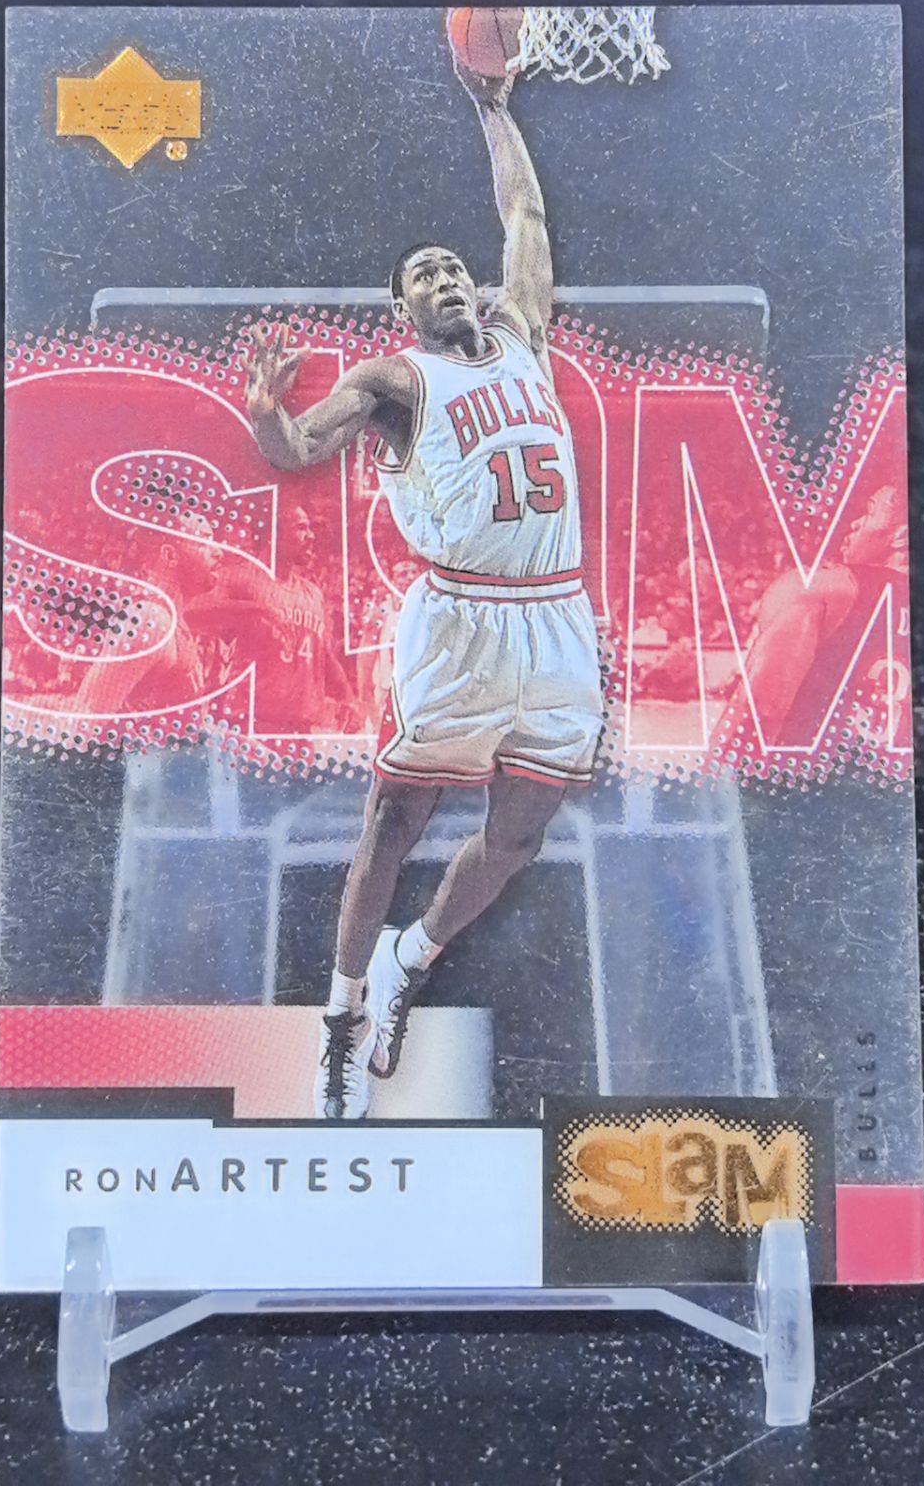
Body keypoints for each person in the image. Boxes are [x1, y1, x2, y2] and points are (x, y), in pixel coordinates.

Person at [246, 60, 603, 1118]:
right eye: (424, 274)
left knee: (520, 838)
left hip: (559, 619)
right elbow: (300, 447)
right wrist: (266, 418)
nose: (447, 277)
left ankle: (414, 957)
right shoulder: (395, 380)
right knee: (392, 827)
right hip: (459, 622)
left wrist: (493, 109)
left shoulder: (522, 337)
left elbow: (525, 215)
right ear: (400, 306)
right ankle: (340, 1023)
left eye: (453, 266)